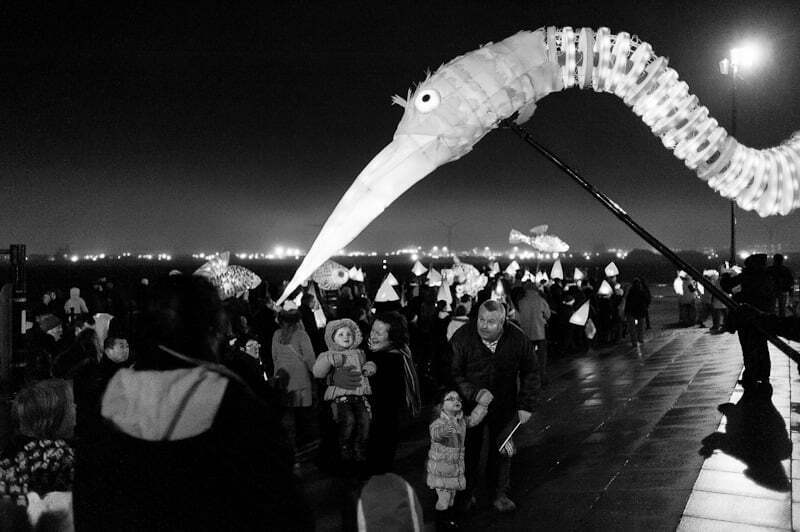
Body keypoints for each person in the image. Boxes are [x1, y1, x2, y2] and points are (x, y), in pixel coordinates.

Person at [72, 275, 311, 531]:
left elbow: (88, 498)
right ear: (213, 327)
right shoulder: (235, 401)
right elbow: (285, 507)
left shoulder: (106, 395)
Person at [450, 299, 540, 513]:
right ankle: (465, 494)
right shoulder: (462, 337)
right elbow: (452, 372)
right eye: (481, 319)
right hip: (471, 407)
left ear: (502, 322)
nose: (484, 325)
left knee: (503, 449)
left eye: (491, 322)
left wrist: (526, 404)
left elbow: (531, 370)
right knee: (468, 450)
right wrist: (473, 393)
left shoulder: (517, 338)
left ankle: (499, 493)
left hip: (505, 404)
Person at [0, 379, 75, 519]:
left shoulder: (12, 450)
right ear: (53, 417)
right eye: (72, 405)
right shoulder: (57, 453)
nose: (76, 408)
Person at [426, 389, 493, 530]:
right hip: (441, 468)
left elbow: (473, 420)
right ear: (441, 406)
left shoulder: (461, 420)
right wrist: (451, 424)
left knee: (451, 497)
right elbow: (437, 434)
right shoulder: (438, 423)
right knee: (443, 499)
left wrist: (482, 406)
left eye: (457, 398)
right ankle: (441, 523)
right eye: (450, 399)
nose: (456, 401)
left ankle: (448, 520)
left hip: (455, 467)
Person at [364, 312, 422, 474]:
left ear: (393, 336)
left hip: (385, 413)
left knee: (381, 448)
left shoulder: (391, 358)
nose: (373, 335)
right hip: (381, 413)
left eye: (379, 333)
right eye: (373, 330)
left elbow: (388, 394)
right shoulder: (383, 351)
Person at [313, 318, 376, 465]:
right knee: (348, 422)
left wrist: (370, 367)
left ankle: (360, 450)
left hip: (360, 396)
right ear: (332, 338)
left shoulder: (359, 353)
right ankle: (344, 449)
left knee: (365, 423)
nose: (346, 337)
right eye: (340, 334)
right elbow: (318, 372)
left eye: (349, 333)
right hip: (341, 398)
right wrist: (329, 361)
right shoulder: (328, 354)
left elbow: (367, 363)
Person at [721, 253, 776, 389]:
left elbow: (727, 286)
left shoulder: (748, 275)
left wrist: (725, 274)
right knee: (762, 346)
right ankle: (763, 375)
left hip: (747, 317)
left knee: (748, 347)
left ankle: (751, 375)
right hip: (762, 315)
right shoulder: (767, 276)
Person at [271, 302, 317, 459]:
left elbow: (274, 357)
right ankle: (304, 447)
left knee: (289, 416)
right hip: (300, 381)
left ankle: (292, 446)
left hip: (284, 381)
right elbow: (310, 359)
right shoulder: (301, 335)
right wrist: (318, 373)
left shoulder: (276, 335)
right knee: (303, 417)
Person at [515, 282, 551, 384]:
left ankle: (528, 378)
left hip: (526, 333)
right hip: (539, 332)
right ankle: (542, 376)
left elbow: (518, 317)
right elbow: (548, 314)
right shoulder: (540, 300)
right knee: (541, 356)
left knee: (528, 357)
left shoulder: (521, 302)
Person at [624, 277, 650, 347]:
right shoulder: (642, 291)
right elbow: (647, 299)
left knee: (632, 328)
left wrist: (626, 312)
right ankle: (640, 339)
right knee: (640, 327)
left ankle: (634, 341)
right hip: (640, 311)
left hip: (632, 311)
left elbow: (627, 302)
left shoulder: (631, 292)